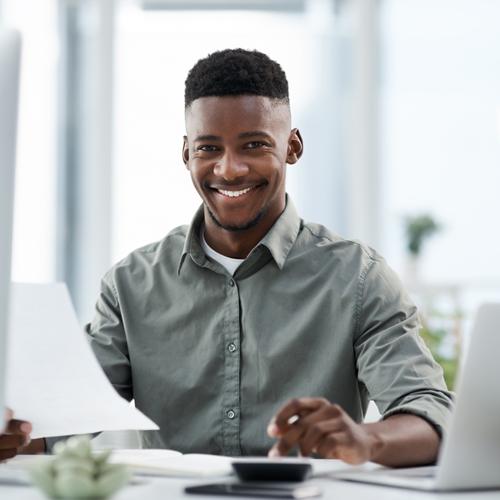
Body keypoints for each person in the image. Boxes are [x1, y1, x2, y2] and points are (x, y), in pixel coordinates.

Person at [1, 49, 453, 466]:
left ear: (292, 146)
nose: (229, 169)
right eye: (208, 148)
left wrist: (365, 439)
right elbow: (66, 418)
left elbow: (431, 414)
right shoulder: (130, 284)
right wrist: (13, 434)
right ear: (186, 153)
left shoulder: (358, 278)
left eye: (254, 145)